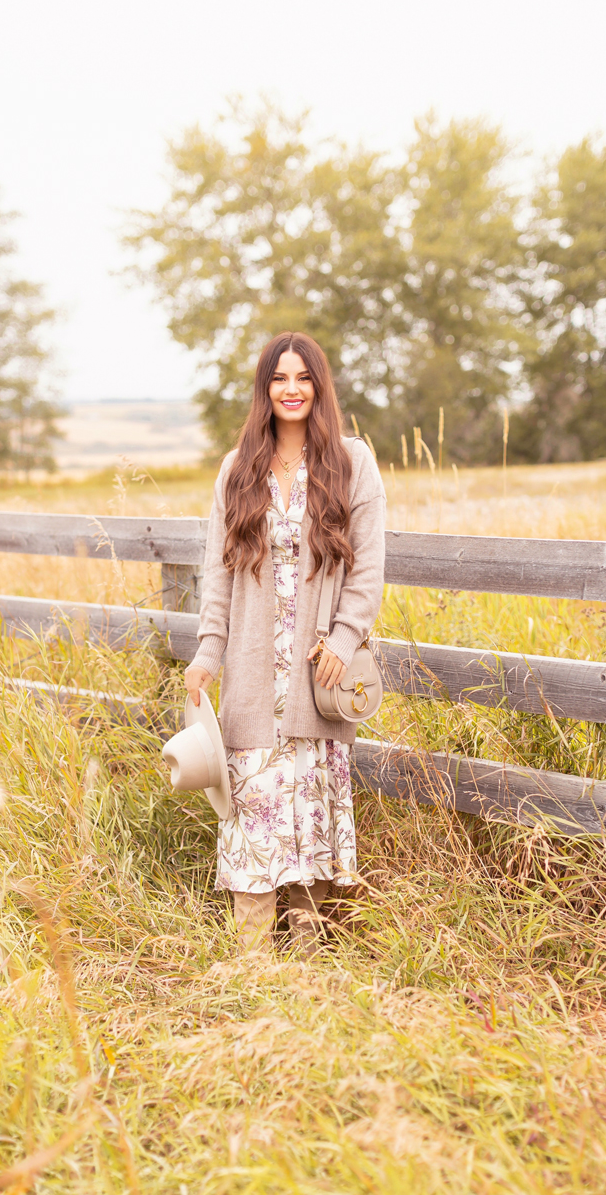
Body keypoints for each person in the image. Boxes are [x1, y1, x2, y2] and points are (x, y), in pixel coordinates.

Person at [185, 331, 386, 955]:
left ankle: (304, 960)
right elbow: (218, 574)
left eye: (303, 378)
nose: (291, 389)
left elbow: (369, 567)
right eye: (279, 378)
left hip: (315, 676)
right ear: (264, 389)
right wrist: (206, 652)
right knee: (254, 815)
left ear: (319, 388)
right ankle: (252, 966)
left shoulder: (352, 462)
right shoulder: (237, 468)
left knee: (308, 816)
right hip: (252, 681)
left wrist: (345, 635)